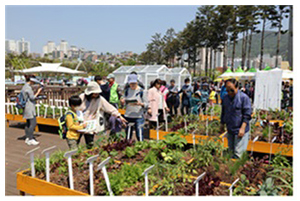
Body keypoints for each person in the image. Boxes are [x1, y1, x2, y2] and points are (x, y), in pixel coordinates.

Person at [77, 81, 127, 149]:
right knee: (75, 141)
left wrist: (119, 115)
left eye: (97, 93)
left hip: (90, 124)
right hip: (79, 123)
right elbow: (75, 108)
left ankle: (88, 156)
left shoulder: (99, 99)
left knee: (90, 143)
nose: (96, 95)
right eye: (94, 94)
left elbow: (109, 108)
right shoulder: (82, 97)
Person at [220, 79, 252, 159]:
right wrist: (222, 124)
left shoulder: (244, 98)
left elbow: (247, 114)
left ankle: (237, 169)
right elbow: (223, 112)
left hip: (240, 129)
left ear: (237, 87)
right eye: (227, 90)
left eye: (231, 90)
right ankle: (231, 169)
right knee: (231, 151)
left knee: (238, 153)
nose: (229, 92)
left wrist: (243, 128)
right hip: (230, 129)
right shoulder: (226, 98)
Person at [120, 74, 150, 141]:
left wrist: (140, 104)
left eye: (134, 83)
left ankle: (141, 147)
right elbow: (123, 99)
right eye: (131, 83)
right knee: (128, 135)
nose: (132, 85)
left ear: (137, 82)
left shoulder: (142, 91)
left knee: (139, 134)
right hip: (128, 115)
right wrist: (122, 101)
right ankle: (128, 146)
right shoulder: (127, 91)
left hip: (138, 116)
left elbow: (147, 104)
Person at [21, 75, 43, 146]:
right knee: (33, 123)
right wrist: (38, 92)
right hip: (29, 107)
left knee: (28, 123)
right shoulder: (28, 88)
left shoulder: (24, 86)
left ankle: (28, 137)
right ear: (31, 80)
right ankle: (30, 139)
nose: (34, 83)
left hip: (26, 107)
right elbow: (32, 97)